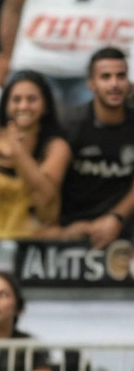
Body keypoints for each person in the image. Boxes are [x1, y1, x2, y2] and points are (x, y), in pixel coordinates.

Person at [0, 0, 134, 108]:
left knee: (26, 131)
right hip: (107, 64)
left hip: (38, 56)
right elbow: (14, 1)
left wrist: (6, 56)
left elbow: (14, 1)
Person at [54, 47, 134, 249]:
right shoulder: (69, 124)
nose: (114, 84)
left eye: (121, 76)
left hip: (125, 228)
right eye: (106, 77)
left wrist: (116, 217)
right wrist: (62, 230)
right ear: (91, 84)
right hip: (74, 227)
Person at [0, 70, 70, 240]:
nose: (23, 106)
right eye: (16, 99)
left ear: (45, 106)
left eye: (32, 99)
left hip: (37, 244)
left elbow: (46, 195)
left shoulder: (56, 146)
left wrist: (17, 150)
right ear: (6, 105)